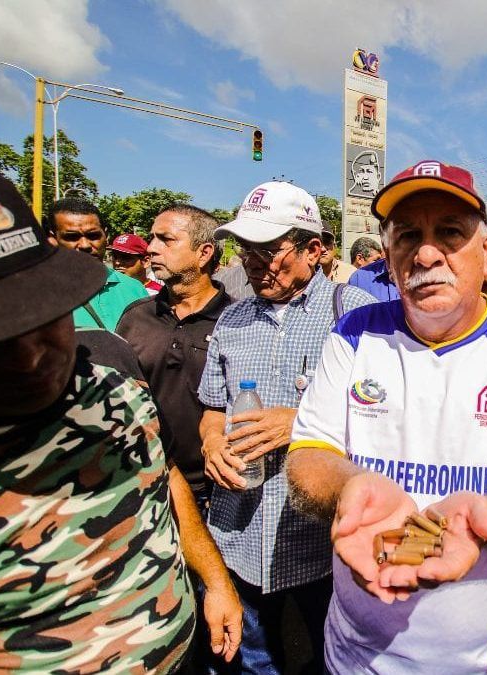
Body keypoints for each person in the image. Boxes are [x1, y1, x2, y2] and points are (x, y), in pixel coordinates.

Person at [0, 153, 241, 671]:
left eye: (44, 312)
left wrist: (215, 581)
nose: (32, 354)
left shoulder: (110, 363)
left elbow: (161, 474)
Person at [286, 160, 487, 673]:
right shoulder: (353, 333)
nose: (426, 254)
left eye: (449, 233)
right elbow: (309, 456)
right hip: (355, 658)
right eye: (408, 235)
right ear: (388, 253)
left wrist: (479, 521)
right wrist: (351, 489)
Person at [197, 181, 374, 674]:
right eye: (245, 250)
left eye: (268, 251)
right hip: (237, 533)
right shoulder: (231, 319)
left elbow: (390, 415)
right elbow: (211, 406)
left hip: (319, 544)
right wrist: (211, 441)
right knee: (251, 662)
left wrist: (300, 422)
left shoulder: (354, 313)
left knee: (329, 661)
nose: (253, 264)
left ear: (313, 250)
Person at [117, 204, 230, 507]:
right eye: (152, 238)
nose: (151, 248)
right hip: (144, 485)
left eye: (166, 240)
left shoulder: (236, 321)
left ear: (204, 253)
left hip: (214, 491)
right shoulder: (135, 318)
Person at [47, 197, 148, 330]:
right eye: (72, 237)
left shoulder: (134, 289)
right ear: (53, 240)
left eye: (93, 236)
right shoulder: (37, 294)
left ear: (106, 236)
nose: (85, 245)